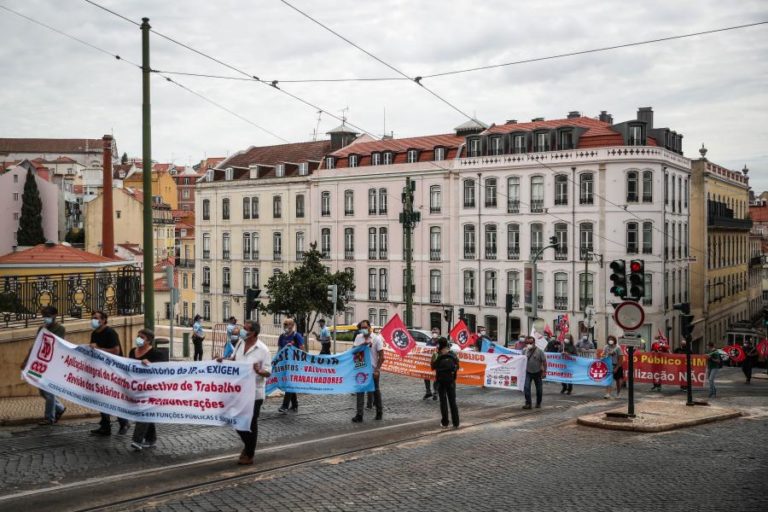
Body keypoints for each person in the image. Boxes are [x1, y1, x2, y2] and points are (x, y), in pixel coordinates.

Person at [217, 320, 271, 465]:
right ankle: (248, 447)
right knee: (235, 420)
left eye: (245, 329)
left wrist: (259, 371)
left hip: (255, 393)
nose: (241, 331)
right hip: (238, 391)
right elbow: (233, 360)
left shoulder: (263, 349)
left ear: (253, 332)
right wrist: (223, 361)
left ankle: (249, 453)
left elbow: (268, 372)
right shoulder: (240, 343)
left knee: (250, 423)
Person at [21, 306, 67, 425]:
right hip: (41, 362)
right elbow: (35, 345)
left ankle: (49, 418)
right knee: (42, 391)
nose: (45, 318)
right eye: (44, 316)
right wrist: (26, 360)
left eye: (48, 315)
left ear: (54, 315)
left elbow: (57, 345)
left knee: (49, 390)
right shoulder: (41, 328)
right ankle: (60, 408)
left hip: (52, 364)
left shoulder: (60, 329)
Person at [89, 310, 130, 435]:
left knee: (114, 397)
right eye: (92, 318)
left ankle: (124, 423)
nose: (94, 320)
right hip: (101, 370)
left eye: (96, 318)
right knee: (102, 398)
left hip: (114, 371)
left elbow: (116, 351)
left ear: (103, 320)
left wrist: (99, 349)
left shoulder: (110, 332)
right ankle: (105, 426)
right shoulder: (94, 333)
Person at [129, 329, 164, 451]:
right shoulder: (133, 352)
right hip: (137, 388)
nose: (138, 338)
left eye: (141, 337)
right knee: (147, 413)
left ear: (148, 340)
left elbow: (164, 371)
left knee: (144, 412)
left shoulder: (156, 354)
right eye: (138, 336)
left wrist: (150, 365)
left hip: (150, 390)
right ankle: (151, 439)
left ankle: (137, 440)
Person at [352, 319, 384, 422]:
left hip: (373, 370)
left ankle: (379, 412)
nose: (364, 329)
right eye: (362, 328)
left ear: (370, 327)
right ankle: (359, 415)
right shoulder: (358, 337)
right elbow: (354, 352)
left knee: (375, 391)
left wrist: (377, 370)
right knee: (360, 391)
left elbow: (382, 356)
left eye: (366, 327)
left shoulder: (376, 339)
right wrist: (362, 346)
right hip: (361, 369)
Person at [431, 337, 460, 428]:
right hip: (451, 381)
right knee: (453, 402)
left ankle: (445, 422)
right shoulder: (453, 354)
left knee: (443, 402)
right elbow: (457, 366)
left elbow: (432, 366)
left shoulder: (436, 354)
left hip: (441, 381)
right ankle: (456, 422)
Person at [277, 318, 304, 413]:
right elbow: (279, 349)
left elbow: (301, 350)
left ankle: (284, 406)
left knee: (289, 383)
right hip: (284, 364)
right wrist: (276, 361)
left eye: (287, 324)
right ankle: (295, 405)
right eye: (284, 324)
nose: (285, 326)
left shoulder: (297, 336)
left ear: (292, 326)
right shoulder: (281, 337)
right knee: (290, 383)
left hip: (294, 364)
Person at [522, 336, 547, 409]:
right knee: (526, 388)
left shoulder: (539, 351)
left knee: (539, 389)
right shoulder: (524, 350)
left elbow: (544, 362)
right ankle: (528, 403)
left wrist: (544, 372)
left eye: (530, 342)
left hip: (537, 372)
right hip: (527, 372)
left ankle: (538, 403)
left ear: (534, 343)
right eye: (527, 343)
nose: (529, 344)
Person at [423, 328, 439, 401]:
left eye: (435, 332)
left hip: (437, 362)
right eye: (433, 332)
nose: (434, 333)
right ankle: (428, 391)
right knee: (426, 376)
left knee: (436, 377)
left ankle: (435, 392)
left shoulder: (440, 341)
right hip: (429, 362)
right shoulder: (429, 341)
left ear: (438, 333)